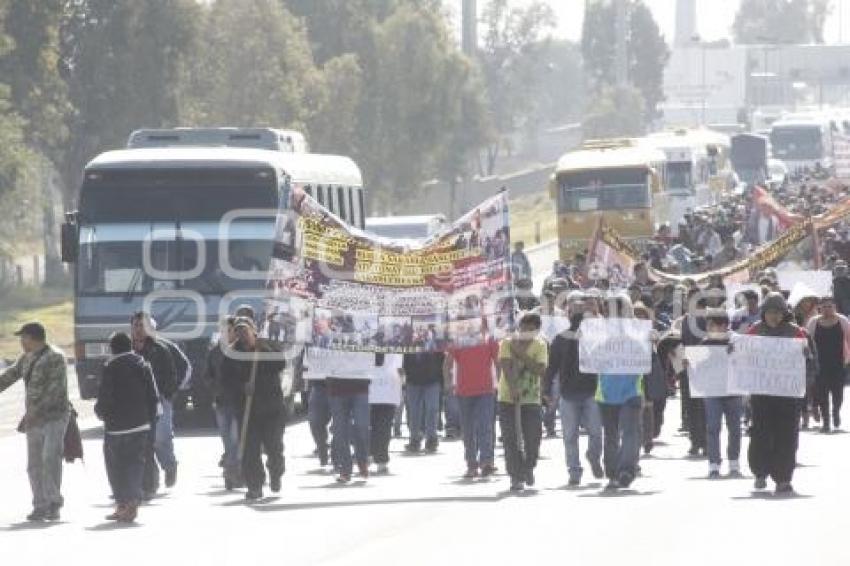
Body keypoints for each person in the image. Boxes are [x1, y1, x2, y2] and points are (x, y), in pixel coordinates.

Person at [0, 322, 70, 522]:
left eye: (24, 337)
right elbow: (9, 376)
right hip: (33, 419)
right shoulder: (26, 358)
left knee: (50, 459)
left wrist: (37, 412)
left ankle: (54, 503)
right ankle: (40, 505)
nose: (21, 342)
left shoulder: (55, 357)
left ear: (33, 338)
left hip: (53, 418)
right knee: (34, 465)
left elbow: (56, 390)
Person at [747, 292, 809, 494]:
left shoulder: (797, 333)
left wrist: (805, 356)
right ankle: (760, 473)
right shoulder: (754, 332)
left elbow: (810, 363)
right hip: (761, 394)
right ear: (764, 313)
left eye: (778, 312)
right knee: (760, 433)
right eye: (770, 312)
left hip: (787, 395)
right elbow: (742, 357)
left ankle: (783, 478)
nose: (774, 316)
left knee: (787, 436)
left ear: (784, 314)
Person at [95, 332, 159, 523]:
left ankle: (124, 503)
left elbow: (105, 395)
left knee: (116, 468)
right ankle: (129, 503)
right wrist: (150, 418)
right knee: (135, 464)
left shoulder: (110, 367)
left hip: (116, 428)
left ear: (112, 348)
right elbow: (153, 395)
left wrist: (100, 412)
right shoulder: (142, 364)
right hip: (140, 425)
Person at [222, 317, 286, 501]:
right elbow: (225, 381)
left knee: (274, 448)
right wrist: (242, 387)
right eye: (239, 331)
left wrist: (261, 350)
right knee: (250, 451)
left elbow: (280, 363)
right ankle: (255, 486)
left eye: (245, 330)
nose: (242, 334)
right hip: (247, 412)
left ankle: (276, 473)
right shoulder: (232, 354)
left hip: (272, 409)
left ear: (253, 330)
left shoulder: (268, 346)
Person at [544, 305, 603, 486]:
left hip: (591, 392)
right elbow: (551, 367)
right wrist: (546, 390)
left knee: (595, 433)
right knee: (569, 436)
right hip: (568, 394)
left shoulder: (597, 339)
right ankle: (574, 471)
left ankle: (593, 456)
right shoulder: (560, 340)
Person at [130, 312, 184, 497]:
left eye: (142, 325)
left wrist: (167, 394)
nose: (138, 329)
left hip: (160, 400)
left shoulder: (161, 349)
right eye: (136, 325)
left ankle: (170, 465)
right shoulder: (127, 350)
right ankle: (149, 484)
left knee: (161, 438)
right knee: (144, 443)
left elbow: (173, 375)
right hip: (136, 404)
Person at [596, 297, 644, 491]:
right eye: (609, 310)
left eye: (618, 309)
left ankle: (626, 470)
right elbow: (591, 356)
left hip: (631, 390)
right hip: (607, 392)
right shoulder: (596, 331)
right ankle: (613, 474)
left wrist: (652, 340)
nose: (613, 314)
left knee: (630, 433)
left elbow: (647, 355)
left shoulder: (641, 330)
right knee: (611, 435)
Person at [497, 312, 547, 491]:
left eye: (531, 330)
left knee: (533, 438)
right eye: (524, 328)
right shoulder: (507, 343)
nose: (526, 332)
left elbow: (540, 370)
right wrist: (512, 387)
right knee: (511, 439)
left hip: (531, 399)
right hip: (507, 398)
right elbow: (506, 366)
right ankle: (515, 476)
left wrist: (522, 354)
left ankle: (528, 467)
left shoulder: (540, 345)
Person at [444, 328, 499, 479]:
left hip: (485, 391)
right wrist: (448, 383)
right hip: (464, 392)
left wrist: (500, 383)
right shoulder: (459, 340)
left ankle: (486, 461)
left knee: (485, 426)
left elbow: (498, 361)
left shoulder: (489, 339)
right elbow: (448, 362)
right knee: (468, 430)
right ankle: (471, 464)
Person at [700, 310, 743, 479]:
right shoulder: (704, 343)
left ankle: (734, 463)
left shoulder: (737, 341)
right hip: (712, 391)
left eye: (712, 325)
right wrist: (689, 362)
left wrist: (736, 352)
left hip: (733, 390)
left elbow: (746, 361)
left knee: (735, 428)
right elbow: (699, 366)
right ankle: (713, 464)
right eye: (708, 325)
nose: (709, 328)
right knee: (712, 427)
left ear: (724, 326)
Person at [205, 316, 244, 489]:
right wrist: (215, 388)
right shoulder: (215, 353)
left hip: (239, 403)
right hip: (221, 402)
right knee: (227, 440)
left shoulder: (242, 350)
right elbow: (207, 375)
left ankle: (232, 473)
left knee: (236, 439)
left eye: (229, 330)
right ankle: (233, 470)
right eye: (223, 331)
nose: (226, 334)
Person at [325, 351, 374, 483]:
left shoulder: (366, 331)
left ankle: (362, 460)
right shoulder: (328, 332)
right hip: (336, 388)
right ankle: (345, 469)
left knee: (362, 426)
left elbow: (378, 360)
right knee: (340, 431)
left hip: (360, 387)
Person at [806, 296, 850, 433]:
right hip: (820, 365)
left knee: (838, 394)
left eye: (830, 306)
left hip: (838, 363)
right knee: (822, 393)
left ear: (835, 307)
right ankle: (826, 422)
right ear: (820, 308)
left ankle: (836, 411)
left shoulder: (842, 321)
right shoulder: (813, 322)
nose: (827, 309)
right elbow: (807, 340)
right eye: (824, 307)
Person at [402, 351, 444, 453]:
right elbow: (403, 360)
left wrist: (442, 380)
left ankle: (431, 439)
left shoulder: (432, 341)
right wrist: (404, 380)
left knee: (432, 409)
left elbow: (441, 358)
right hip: (412, 380)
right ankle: (414, 439)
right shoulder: (408, 339)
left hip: (432, 380)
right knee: (414, 411)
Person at [369, 353, 403, 474]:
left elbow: (400, 368)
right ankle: (371, 453)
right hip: (369, 392)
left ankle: (381, 460)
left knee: (383, 428)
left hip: (388, 392)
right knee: (371, 427)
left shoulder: (395, 344)